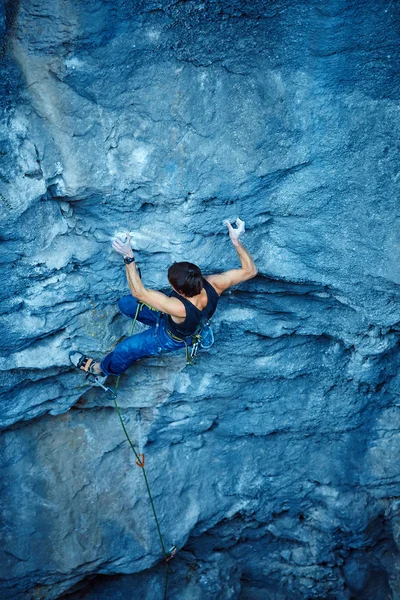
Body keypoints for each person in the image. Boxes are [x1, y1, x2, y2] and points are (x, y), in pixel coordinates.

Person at [70, 218, 257, 378]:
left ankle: (102, 370)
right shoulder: (214, 284)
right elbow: (250, 270)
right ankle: (196, 333)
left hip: (169, 336)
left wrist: (128, 257)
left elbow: (139, 293)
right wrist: (235, 240)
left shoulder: (177, 307)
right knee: (125, 304)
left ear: (179, 291)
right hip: (175, 319)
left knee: (124, 350)